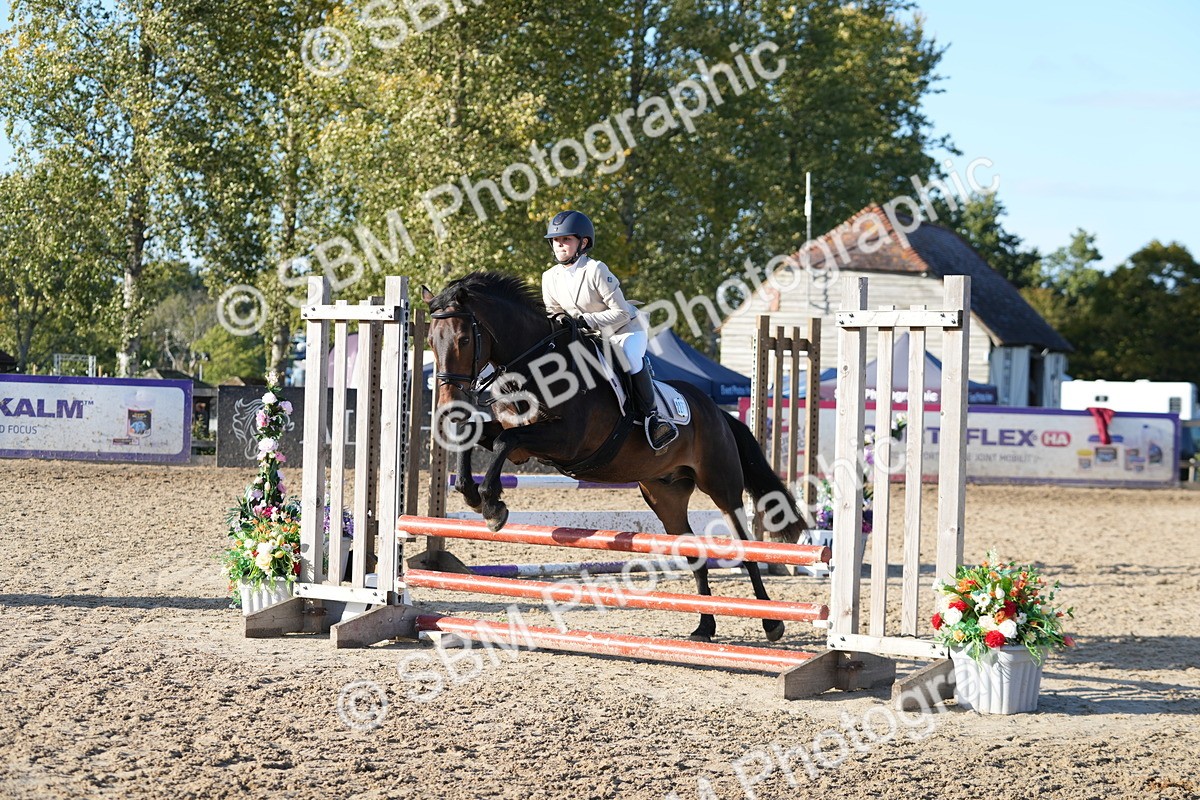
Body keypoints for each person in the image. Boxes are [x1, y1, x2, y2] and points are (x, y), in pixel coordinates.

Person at [540, 209, 678, 451]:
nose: (559, 246)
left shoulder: (596, 270)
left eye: (566, 240)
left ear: (583, 243)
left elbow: (622, 312)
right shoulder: (549, 277)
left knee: (630, 358)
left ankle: (653, 419)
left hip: (623, 331)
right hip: (585, 336)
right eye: (556, 241)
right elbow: (554, 312)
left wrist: (585, 320)